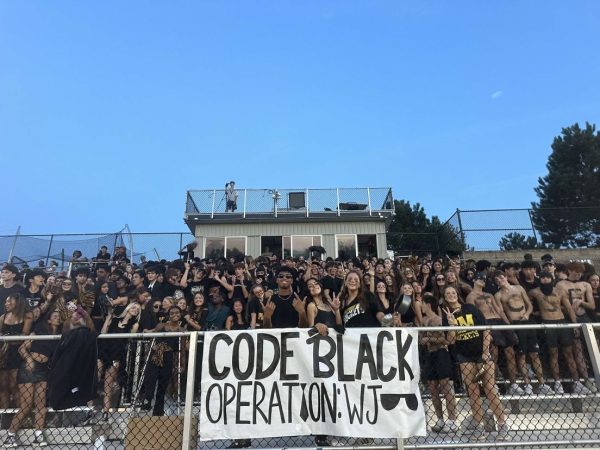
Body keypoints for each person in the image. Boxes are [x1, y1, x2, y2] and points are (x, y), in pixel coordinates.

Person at [442, 285, 509, 440]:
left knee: (490, 388)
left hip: (481, 353)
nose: (451, 295)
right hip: (464, 355)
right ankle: (479, 427)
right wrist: (452, 325)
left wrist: (485, 351)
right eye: (448, 293)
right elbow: (450, 340)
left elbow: (485, 329)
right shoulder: (447, 316)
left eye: (453, 292)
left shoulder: (469, 308)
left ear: (457, 294)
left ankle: (502, 424)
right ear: (445, 297)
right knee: (472, 391)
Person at [4, 311, 62, 448]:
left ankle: (38, 435)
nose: (57, 318)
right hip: (29, 368)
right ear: (48, 320)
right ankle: (10, 435)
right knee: (26, 405)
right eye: (54, 316)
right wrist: (29, 359)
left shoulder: (58, 336)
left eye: (59, 317)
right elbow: (22, 348)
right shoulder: (40, 330)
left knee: (41, 405)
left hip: (43, 370)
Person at [529, 271, 591, 395]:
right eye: (543, 278)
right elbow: (527, 303)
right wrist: (533, 313)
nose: (545, 280)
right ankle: (557, 383)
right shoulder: (535, 292)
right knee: (554, 354)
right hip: (548, 322)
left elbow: (568, 308)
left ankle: (576, 382)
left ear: (552, 279)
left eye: (547, 277)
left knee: (569, 353)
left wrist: (575, 325)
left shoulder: (559, 290)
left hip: (562, 322)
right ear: (540, 279)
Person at [494, 271, 552, 395]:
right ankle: (527, 384)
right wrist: (508, 325)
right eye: (497, 280)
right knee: (521, 355)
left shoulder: (519, 288)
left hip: (527, 322)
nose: (500, 280)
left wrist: (526, 314)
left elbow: (529, 305)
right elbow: (500, 311)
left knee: (534, 353)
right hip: (514, 323)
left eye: (501, 277)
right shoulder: (498, 295)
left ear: (505, 277)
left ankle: (542, 383)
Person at [465, 273, 522, 395]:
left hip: (499, 321)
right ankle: (493, 383)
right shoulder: (471, 296)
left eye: (484, 279)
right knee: (493, 354)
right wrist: (482, 329)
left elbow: (499, 310)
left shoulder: (489, 294)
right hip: (487, 322)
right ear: (474, 280)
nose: (482, 280)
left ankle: (513, 383)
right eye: (480, 278)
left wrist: (507, 325)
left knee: (510, 352)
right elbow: (472, 314)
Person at [47, 306, 97, 410]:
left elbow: (91, 329)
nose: (77, 316)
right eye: (74, 314)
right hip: (65, 366)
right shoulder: (66, 334)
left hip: (79, 366)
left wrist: (83, 312)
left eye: (80, 315)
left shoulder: (85, 333)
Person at [420, 294, 457, 433]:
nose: (421, 306)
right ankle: (440, 419)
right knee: (433, 387)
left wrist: (429, 338)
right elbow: (421, 339)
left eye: (422, 304)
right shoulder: (424, 321)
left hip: (441, 353)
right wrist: (425, 339)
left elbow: (444, 339)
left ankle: (452, 420)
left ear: (428, 305)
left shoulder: (438, 320)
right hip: (430, 355)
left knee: (446, 386)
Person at [99, 303, 141, 421]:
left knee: (108, 383)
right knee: (95, 376)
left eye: (137, 310)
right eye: (133, 307)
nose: (135, 310)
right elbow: (103, 332)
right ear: (128, 308)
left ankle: (105, 412)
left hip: (117, 354)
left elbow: (128, 340)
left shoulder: (134, 324)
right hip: (105, 350)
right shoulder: (115, 319)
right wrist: (108, 317)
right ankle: (90, 406)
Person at [140, 306, 185, 416]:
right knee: (151, 377)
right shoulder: (161, 325)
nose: (175, 314)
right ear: (168, 315)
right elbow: (152, 341)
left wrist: (182, 363)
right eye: (172, 312)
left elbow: (182, 349)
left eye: (177, 312)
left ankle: (158, 410)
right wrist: (146, 357)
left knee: (163, 383)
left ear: (180, 314)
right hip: (156, 354)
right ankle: (147, 399)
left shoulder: (182, 331)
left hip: (169, 356)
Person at [0, 293, 33, 408]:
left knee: (14, 385)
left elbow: (24, 335)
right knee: (3, 385)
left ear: (17, 302)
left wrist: (6, 338)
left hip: (17, 352)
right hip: (4, 353)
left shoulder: (27, 316)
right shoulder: (3, 317)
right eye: (6, 301)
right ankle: (4, 415)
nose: (6, 303)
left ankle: (18, 413)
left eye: (9, 301)